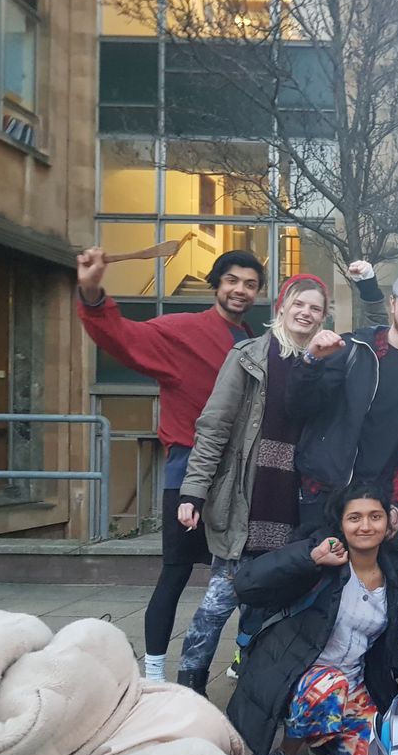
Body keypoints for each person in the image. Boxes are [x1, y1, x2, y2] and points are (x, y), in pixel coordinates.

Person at [74, 246, 264, 682]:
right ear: (216, 283)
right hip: (190, 472)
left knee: (252, 573)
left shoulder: (252, 341)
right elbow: (120, 336)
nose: (240, 290)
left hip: (242, 479)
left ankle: (245, 655)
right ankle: (155, 670)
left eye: (250, 284)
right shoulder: (182, 331)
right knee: (175, 573)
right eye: (232, 280)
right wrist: (92, 291)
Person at [170, 275, 331, 694]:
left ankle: (255, 682)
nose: (306, 313)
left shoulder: (323, 361)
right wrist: (194, 490)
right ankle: (190, 683)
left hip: (293, 501)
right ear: (282, 306)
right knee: (218, 602)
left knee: (273, 602)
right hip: (246, 497)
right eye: (299, 303)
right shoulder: (248, 356)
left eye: (315, 308)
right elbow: (214, 425)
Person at [225, 482, 398, 755]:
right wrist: (310, 559)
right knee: (328, 684)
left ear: (388, 522)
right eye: (355, 518)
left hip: (352, 683)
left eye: (375, 516)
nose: (365, 525)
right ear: (341, 524)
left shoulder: (391, 574)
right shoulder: (322, 558)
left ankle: (325, 734)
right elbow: (246, 584)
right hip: (298, 676)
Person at [291, 269, 398, 531]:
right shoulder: (354, 349)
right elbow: (301, 406)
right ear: (392, 303)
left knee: (376, 574)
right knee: (313, 568)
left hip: (379, 502)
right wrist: (310, 362)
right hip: (326, 493)